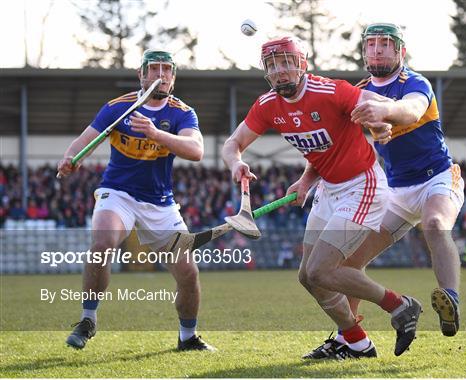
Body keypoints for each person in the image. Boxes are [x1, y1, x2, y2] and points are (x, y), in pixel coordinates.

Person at [222, 36, 422, 360]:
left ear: (302, 64)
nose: (280, 71)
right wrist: (238, 164)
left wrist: (381, 120)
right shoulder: (267, 105)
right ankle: (357, 342)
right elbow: (233, 143)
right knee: (308, 277)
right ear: (266, 72)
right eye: (273, 65)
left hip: (362, 185)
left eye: (287, 62)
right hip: (327, 189)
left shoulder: (331, 91)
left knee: (322, 270)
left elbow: (371, 102)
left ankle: (400, 306)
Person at [306, 22, 465, 356]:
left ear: (400, 51)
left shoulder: (414, 83)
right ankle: (347, 339)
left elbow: (411, 110)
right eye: (372, 44)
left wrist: (384, 111)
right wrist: (311, 175)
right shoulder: (357, 91)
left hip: (436, 177)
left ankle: (449, 300)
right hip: (393, 191)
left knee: (436, 225)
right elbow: (334, 141)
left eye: (385, 44)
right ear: (364, 51)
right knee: (346, 264)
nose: (377, 50)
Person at [57, 49, 215, 351]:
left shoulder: (182, 112)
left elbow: (196, 151)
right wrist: (70, 158)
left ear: (173, 77)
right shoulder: (119, 107)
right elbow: (87, 139)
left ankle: (187, 337)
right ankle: (88, 319)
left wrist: (157, 134)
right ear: (141, 75)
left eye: (166, 70)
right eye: (153, 69)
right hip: (117, 193)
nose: (160, 75)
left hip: (160, 203)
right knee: (103, 242)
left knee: (188, 273)